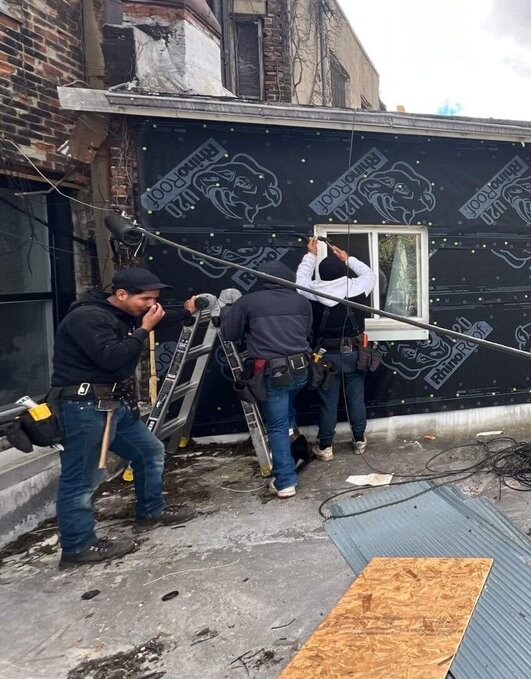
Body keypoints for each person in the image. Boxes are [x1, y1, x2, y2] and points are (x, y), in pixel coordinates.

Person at [51, 267, 198, 568]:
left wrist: (185, 312)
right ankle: (78, 546)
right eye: (145, 298)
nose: (151, 305)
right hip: (84, 408)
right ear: (121, 295)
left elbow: (155, 316)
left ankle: (151, 511)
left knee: (149, 451)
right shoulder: (88, 318)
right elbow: (113, 358)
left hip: (111, 406)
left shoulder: (117, 314)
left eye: (154, 299)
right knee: (82, 479)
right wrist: (144, 330)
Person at [219, 259, 313, 498]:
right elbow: (307, 331)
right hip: (301, 369)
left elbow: (229, 332)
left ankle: (285, 481)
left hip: (274, 373)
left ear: (260, 279)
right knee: (288, 415)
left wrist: (228, 310)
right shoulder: (303, 301)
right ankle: (292, 457)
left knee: (277, 425)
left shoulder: (249, 302)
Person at [296, 237, 376, 458]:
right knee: (355, 398)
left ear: (321, 274)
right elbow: (369, 274)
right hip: (353, 354)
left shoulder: (312, 290)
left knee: (328, 401)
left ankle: (326, 447)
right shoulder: (357, 287)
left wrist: (311, 255)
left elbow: (300, 278)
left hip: (325, 357)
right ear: (343, 271)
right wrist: (348, 258)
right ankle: (359, 440)